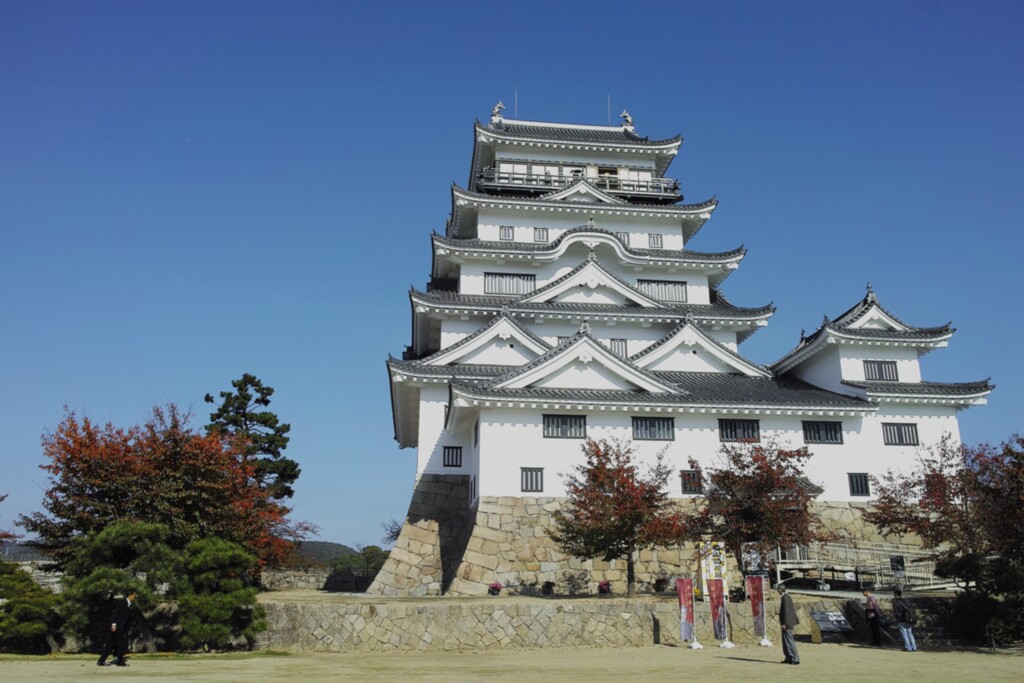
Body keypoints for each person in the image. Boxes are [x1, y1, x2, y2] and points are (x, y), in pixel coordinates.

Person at [97, 589, 137, 667]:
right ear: (130, 595)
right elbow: (115, 614)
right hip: (117, 628)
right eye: (134, 595)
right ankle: (120, 661)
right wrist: (114, 624)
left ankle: (101, 661)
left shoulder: (130, 605)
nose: (135, 596)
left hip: (122, 628)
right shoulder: (122, 603)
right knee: (120, 644)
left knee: (111, 644)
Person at [777, 584, 800, 665]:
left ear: (780, 590)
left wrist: (784, 623)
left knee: (789, 640)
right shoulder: (786, 597)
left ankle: (795, 658)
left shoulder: (785, 597)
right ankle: (788, 657)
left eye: (778, 589)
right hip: (787, 622)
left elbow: (786, 611)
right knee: (785, 641)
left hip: (787, 623)